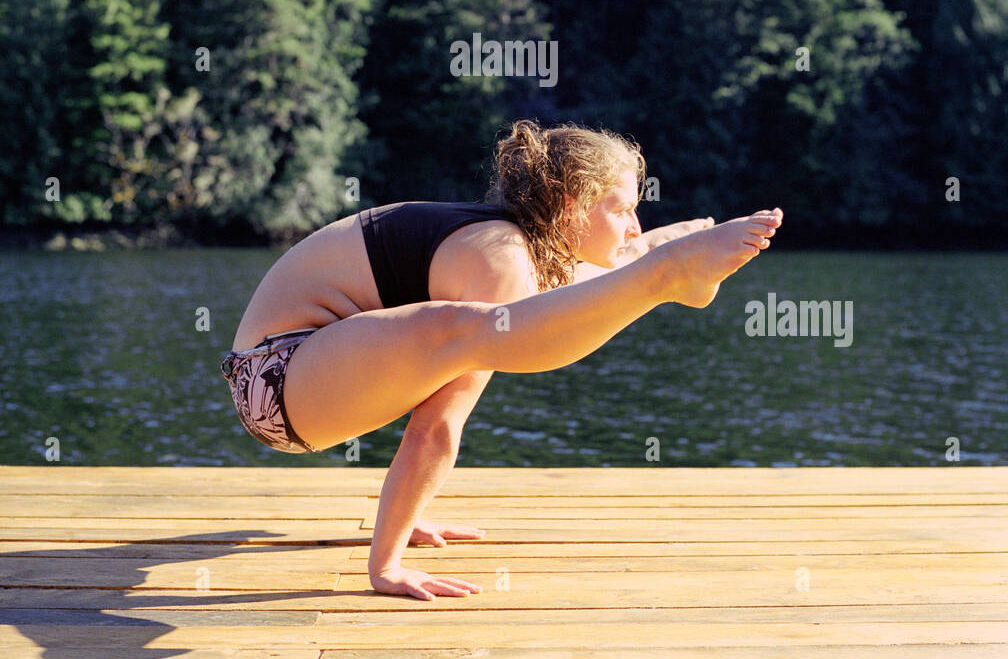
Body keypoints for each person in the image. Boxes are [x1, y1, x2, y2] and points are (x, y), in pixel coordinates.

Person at [222, 120, 782, 600]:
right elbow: (436, 426)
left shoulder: (509, 247)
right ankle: (660, 274)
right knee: (473, 328)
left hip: (303, 379)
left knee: (517, 316)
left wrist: (407, 513)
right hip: (273, 379)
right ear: (572, 203)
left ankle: (657, 267)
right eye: (623, 212)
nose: (632, 222)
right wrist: (386, 565)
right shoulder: (498, 257)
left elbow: (560, 298)